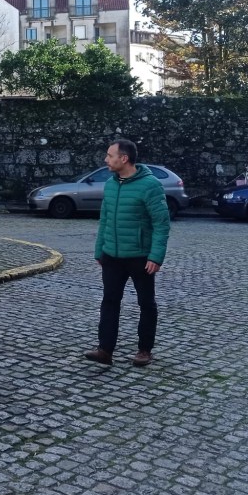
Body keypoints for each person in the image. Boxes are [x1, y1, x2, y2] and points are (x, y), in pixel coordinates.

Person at [84, 138, 171, 368]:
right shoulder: (111, 184)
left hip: (140, 257)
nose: (106, 160)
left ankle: (144, 350)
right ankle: (105, 350)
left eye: (110, 155)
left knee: (146, 303)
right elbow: (104, 220)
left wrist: (155, 256)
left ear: (124, 158)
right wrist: (100, 250)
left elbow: (161, 223)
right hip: (112, 255)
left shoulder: (150, 185)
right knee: (109, 301)